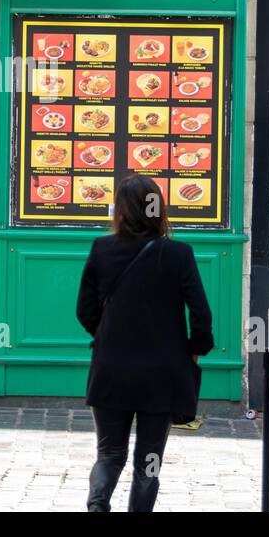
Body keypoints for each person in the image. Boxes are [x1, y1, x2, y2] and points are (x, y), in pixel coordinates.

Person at [76, 174, 213, 512]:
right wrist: (195, 348)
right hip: (162, 375)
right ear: (158, 210)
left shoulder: (102, 249)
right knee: (149, 461)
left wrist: (109, 335)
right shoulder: (179, 253)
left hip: (112, 369)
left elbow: (84, 310)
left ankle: (97, 505)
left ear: (120, 210)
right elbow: (201, 313)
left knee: (109, 454)